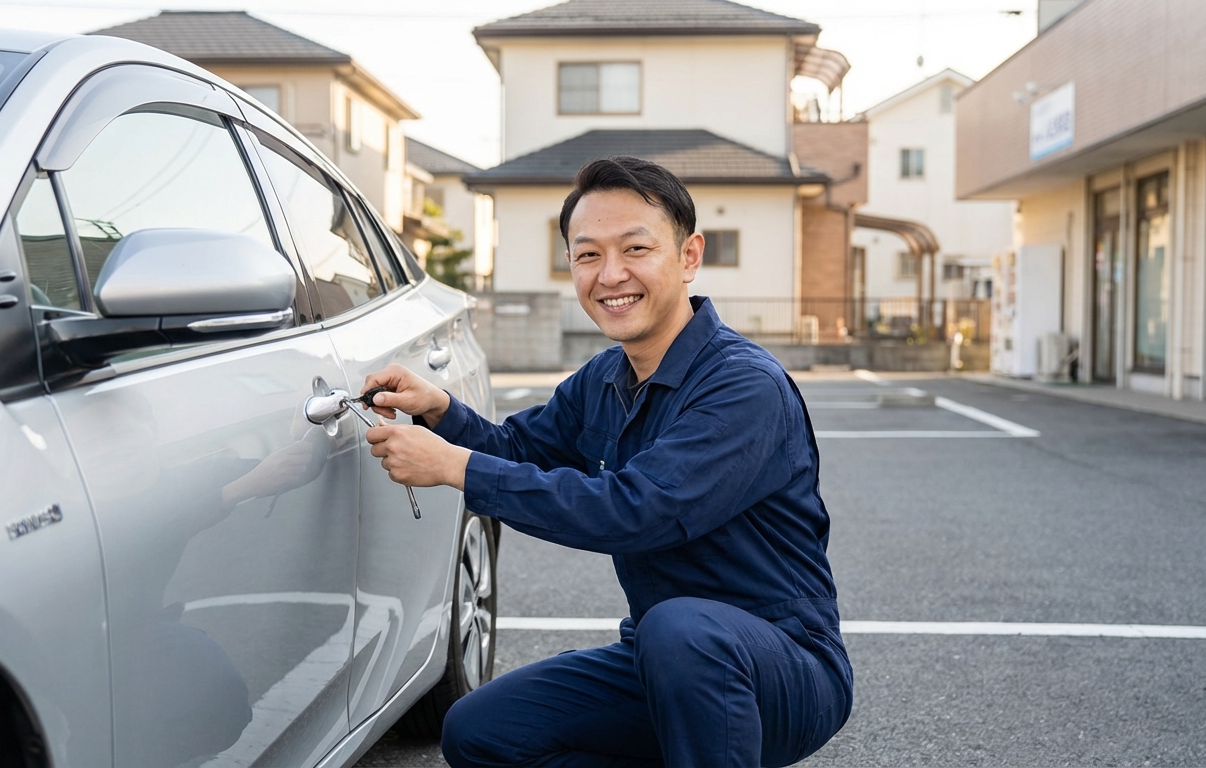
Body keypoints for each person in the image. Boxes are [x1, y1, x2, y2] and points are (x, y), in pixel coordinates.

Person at [361, 156, 852, 767]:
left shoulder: (743, 386)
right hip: (664, 660)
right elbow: (519, 449)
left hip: (781, 668)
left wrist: (453, 467)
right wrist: (439, 411)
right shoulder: (607, 377)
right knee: (483, 730)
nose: (610, 274)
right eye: (587, 254)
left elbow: (639, 511)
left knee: (681, 630)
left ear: (689, 256)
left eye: (635, 248)